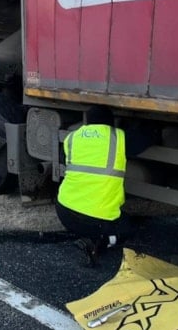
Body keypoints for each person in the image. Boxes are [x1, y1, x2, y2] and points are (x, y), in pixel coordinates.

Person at [56, 105, 138, 266]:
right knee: (129, 229)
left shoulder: (72, 138)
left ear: (87, 122)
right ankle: (100, 243)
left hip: (63, 212)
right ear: (111, 122)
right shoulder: (119, 138)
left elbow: (64, 160)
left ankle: (84, 234)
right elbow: (146, 139)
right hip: (95, 221)